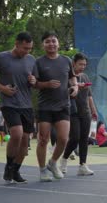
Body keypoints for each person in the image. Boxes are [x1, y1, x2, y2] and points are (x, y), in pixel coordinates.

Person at [0, 31, 38, 183]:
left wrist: (33, 80)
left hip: (27, 104)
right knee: (16, 133)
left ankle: (16, 170)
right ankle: (8, 166)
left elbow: (34, 82)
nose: (27, 52)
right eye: (24, 48)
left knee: (25, 140)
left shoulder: (31, 60)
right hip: (9, 103)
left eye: (30, 49)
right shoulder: (1, 57)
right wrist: (2, 88)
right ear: (16, 43)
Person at [34, 31, 78, 182]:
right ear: (43, 45)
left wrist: (76, 87)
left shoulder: (66, 60)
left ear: (58, 43)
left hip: (63, 105)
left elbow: (72, 77)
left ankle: (53, 163)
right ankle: (42, 170)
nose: (51, 44)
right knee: (43, 140)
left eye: (53, 41)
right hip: (45, 106)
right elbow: (34, 83)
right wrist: (46, 84)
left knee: (64, 139)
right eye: (47, 41)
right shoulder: (38, 62)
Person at [60, 53, 97, 176]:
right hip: (72, 111)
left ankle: (82, 165)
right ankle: (64, 159)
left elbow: (89, 96)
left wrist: (93, 110)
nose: (83, 67)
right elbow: (62, 93)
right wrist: (75, 87)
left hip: (85, 112)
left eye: (85, 65)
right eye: (80, 64)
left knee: (84, 139)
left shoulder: (85, 76)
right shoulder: (66, 77)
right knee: (75, 137)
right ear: (73, 63)